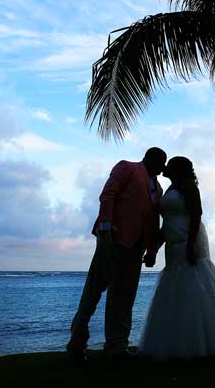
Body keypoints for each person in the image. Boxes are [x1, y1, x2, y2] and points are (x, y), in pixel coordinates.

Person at [138, 156, 215, 359]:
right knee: (177, 289)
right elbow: (166, 224)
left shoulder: (188, 187)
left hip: (191, 239)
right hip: (173, 243)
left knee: (197, 285)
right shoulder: (168, 190)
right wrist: (154, 249)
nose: (165, 166)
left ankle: (208, 343)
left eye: (170, 165)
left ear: (177, 169)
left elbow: (196, 215)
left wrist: (191, 246)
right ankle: (177, 344)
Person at [67, 147, 166, 360]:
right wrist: (106, 226)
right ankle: (76, 343)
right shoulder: (127, 167)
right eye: (160, 162)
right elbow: (108, 194)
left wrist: (152, 250)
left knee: (124, 298)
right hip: (112, 239)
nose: (161, 168)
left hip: (135, 248)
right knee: (92, 293)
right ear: (150, 158)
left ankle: (117, 346)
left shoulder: (158, 188)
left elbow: (153, 222)